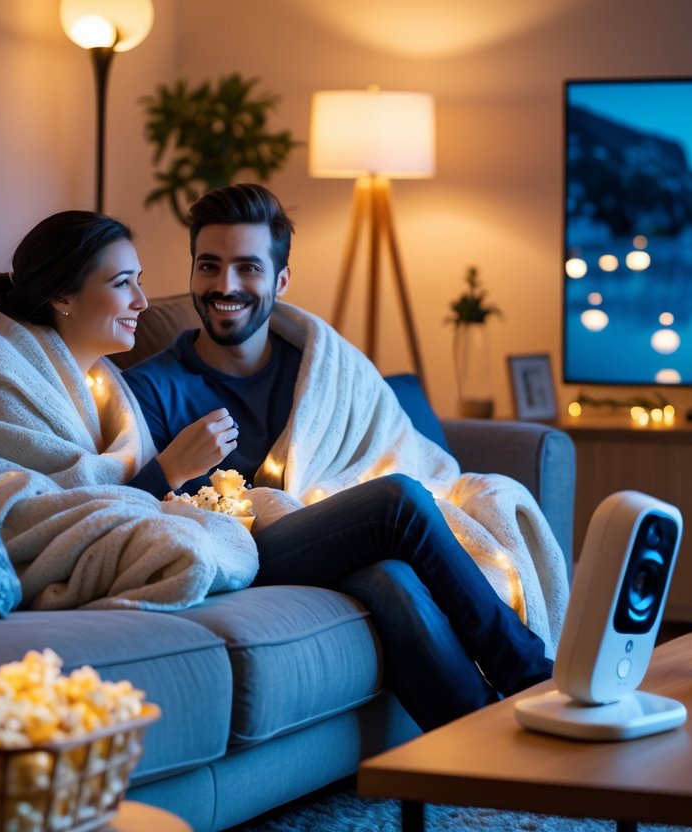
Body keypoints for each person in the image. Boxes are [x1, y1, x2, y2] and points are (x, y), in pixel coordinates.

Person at [122, 184, 565, 730]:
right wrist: (172, 467)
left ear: (281, 280)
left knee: (392, 581)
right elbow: (122, 513)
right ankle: (536, 678)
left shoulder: (316, 365)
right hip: (245, 551)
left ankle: (484, 744)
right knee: (396, 501)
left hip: (331, 536)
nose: (225, 285)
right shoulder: (151, 388)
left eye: (248, 268)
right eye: (209, 266)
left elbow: (382, 444)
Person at [0, 211, 257, 612]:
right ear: (63, 296)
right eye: (122, 283)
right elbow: (38, 515)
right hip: (53, 557)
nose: (141, 301)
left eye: (139, 281)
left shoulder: (102, 378)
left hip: (132, 524)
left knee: (271, 505)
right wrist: (168, 470)